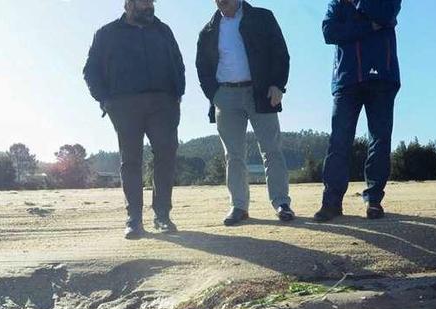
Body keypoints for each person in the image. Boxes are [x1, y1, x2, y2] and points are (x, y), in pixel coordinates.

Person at [83, 0, 186, 240]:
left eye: (152, 1)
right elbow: (90, 70)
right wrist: (105, 99)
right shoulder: (107, 33)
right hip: (124, 104)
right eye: (143, 1)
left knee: (166, 155)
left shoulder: (163, 30)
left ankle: (162, 215)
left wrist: (177, 93)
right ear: (128, 4)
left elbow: (178, 63)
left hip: (163, 103)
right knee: (131, 161)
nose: (149, 6)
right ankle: (134, 219)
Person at [196, 0, 292, 226]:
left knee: (272, 149)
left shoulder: (263, 17)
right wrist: (215, 95)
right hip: (225, 96)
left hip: (261, 92)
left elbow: (281, 53)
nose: (221, 0)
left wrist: (278, 84)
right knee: (233, 155)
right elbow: (202, 67)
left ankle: (281, 203)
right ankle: (239, 206)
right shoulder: (208, 30)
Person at [314, 0, 402, 222]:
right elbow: (329, 32)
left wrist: (357, 7)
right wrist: (367, 26)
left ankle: (374, 200)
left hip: (382, 77)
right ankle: (331, 202)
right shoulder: (336, 2)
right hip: (346, 81)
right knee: (339, 141)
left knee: (379, 139)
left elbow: (386, 13)